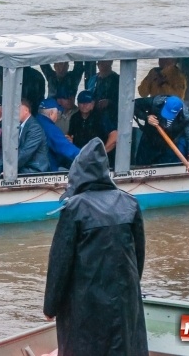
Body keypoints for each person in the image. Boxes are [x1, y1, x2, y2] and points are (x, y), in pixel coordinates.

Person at [43, 138, 148, 356]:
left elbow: (60, 263)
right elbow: (138, 258)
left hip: (85, 302)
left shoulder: (74, 208)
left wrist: (50, 307)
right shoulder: (130, 204)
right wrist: (129, 288)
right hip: (123, 297)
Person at [133, 95, 189, 168]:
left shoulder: (186, 116)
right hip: (148, 140)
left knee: (165, 167)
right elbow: (133, 105)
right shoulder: (156, 102)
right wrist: (146, 117)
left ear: (179, 110)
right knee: (141, 167)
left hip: (168, 145)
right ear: (165, 103)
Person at [68, 91, 118, 158]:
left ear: (93, 103)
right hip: (79, 156)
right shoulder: (74, 118)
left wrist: (103, 152)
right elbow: (70, 136)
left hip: (98, 157)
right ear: (78, 103)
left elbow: (114, 135)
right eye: (81, 102)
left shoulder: (101, 117)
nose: (84, 105)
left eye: (87, 102)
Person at [37, 98, 80, 171]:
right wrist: (85, 155)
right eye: (57, 113)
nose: (58, 116)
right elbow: (65, 148)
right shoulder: (49, 128)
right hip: (46, 170)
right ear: (51, 113)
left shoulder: (37, 121)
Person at [17, 99, 50, 174]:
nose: (15, 112)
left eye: (17, 108)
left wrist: (10, 169)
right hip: (24, 167)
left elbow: (26, 152)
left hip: (35, 169)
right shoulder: (19, 126)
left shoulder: (35, 128)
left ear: (26, 110)